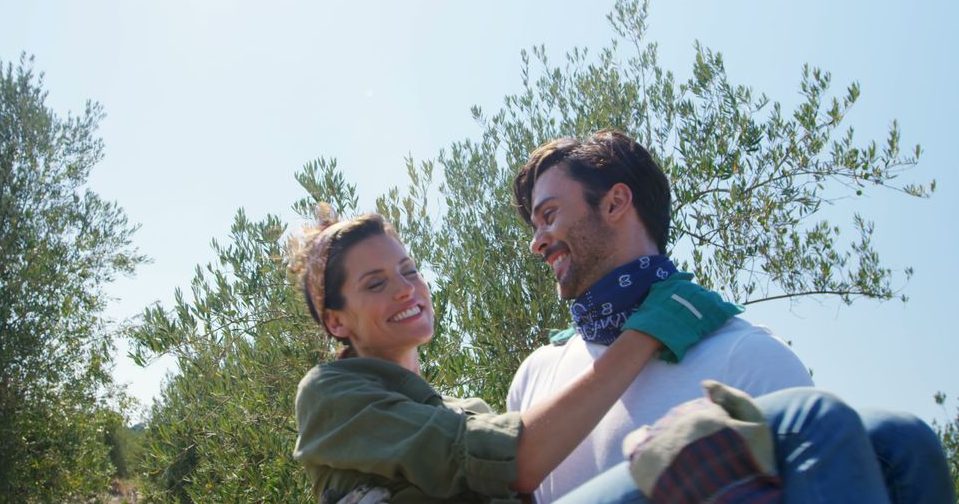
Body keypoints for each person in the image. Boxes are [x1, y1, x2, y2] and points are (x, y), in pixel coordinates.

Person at [290, 210, 950, 503]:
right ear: (335, 319)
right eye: (377, 283)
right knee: (810, 420)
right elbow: (515, 464)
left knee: (902, 438)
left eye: (407, 269)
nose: (407, 288)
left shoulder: (457, 408)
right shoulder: (332, 397)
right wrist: (648, 332)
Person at [508, 129, 952, 503]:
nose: (537, 242)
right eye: (535, 226)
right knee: (821, 418)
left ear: (615, 203)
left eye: (549, 215)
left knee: (903, 439)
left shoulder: (746, 354)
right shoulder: (536, 375)